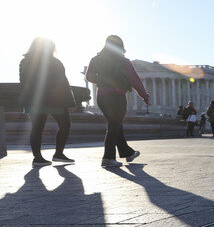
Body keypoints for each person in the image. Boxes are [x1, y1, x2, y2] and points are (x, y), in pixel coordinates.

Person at [85, 35, 150, 167]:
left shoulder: (96, 60)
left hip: (102, 97)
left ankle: (127, 153)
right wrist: (144, 96)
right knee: (114, 126)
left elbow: (88, 76)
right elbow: (135, 80)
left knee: (115, 124)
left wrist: (101, 80)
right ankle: (108, 157)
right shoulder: (124, 62)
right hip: (117, 97)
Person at [18, 37, 76, 166]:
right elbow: (64, 83)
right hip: (54, 100)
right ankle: (58, 154)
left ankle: (38, 158)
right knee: (65, 125)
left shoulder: (25, 62)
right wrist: (70, 102)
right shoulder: (55, 62)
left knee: (37, 128)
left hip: (36, 100)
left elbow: (23, 83)